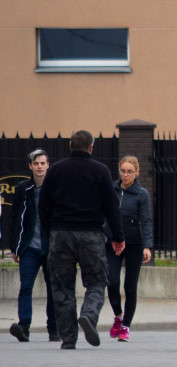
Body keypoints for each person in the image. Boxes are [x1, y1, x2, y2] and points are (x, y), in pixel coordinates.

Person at [39, 130, 124, 349]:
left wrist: (50, 230)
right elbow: (111, 206)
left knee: (62, 286)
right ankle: (88, 315)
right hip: (90, 234)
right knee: (97, 281)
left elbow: (43, 205)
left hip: (61, 234)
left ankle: (68, 339)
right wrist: (118, 236)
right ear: (92, 147)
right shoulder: (100, 171)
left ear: (70, 145)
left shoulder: (55, 170)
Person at [8, 149, 60, 342]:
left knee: (52, 287)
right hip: (29, 246)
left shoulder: (55, 187)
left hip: (50, 246)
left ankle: (54, 328)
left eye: (43, 163)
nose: (39, 167)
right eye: (36, 163)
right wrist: (15, 246)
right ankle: (24, 326)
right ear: (30, 166)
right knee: (26, 286)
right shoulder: (24, 188)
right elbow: (15, 218)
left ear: (48, 165)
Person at [105, 156, 154, 342]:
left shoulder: (141, 194)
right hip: (113, 243)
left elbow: (146, 221)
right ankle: (118, 316)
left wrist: (147, 246)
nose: (126, 175)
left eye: (129, 171)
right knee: (112, 281)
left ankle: (126, 326)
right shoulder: (112, 190)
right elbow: (106, 215)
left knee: (130, 286)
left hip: (134, 243)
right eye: (123, 171)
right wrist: (109, 237)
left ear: (136, 172)